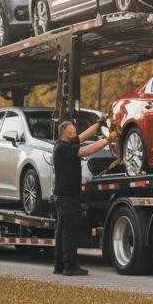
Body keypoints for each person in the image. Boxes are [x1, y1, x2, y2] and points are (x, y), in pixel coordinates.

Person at [52, 118, 108, 275]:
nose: (74, 133)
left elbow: (83, 136)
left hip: (64, 195)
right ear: (63, 134)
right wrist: (108, 140)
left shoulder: (66, 144)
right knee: (71, 230)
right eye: (71, 132)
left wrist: (98, 123)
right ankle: (70, 266)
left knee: (62, 229)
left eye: (74, 130)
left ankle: (59, 265)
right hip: (67, 195)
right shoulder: (63, 148)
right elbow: (86, 150)